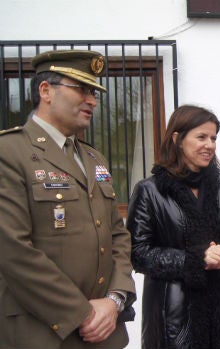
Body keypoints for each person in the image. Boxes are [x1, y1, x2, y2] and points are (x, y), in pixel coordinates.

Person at [0, 49, 136, 348]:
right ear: (46, 91)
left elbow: (117, 235)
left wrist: (113, 301)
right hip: (42, 332)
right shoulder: (9, 152)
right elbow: (13, 250)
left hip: (104, 331)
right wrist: (82, 313)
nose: (92, 100)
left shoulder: (93, 157)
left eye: (94, 92)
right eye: (82, 90)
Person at [127, 105, 220, 349]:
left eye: (213, 138)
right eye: (201, 137)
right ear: (178, 139)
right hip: (174, 313)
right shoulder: (150, 191)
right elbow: (138, 253)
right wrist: (195, 260)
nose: (210, 145)